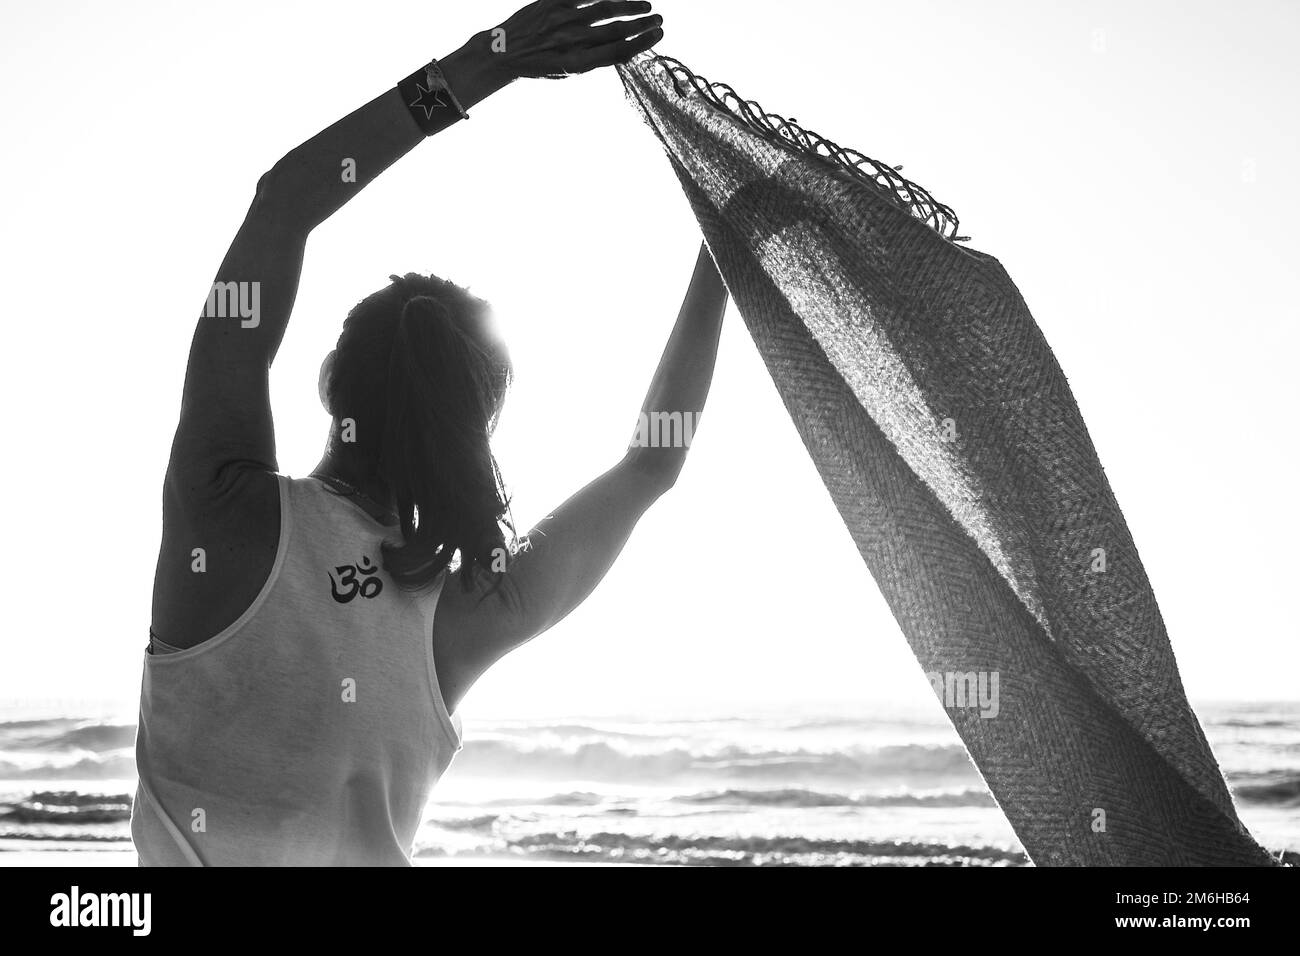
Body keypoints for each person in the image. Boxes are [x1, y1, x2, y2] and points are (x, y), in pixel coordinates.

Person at [132, 0, 728, 865]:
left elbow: (282, 208)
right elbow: (652, 464)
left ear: (331, 381)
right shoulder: (463, 611)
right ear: (474, 427)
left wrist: (485, 62)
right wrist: (723, 258)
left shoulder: (222, 511)